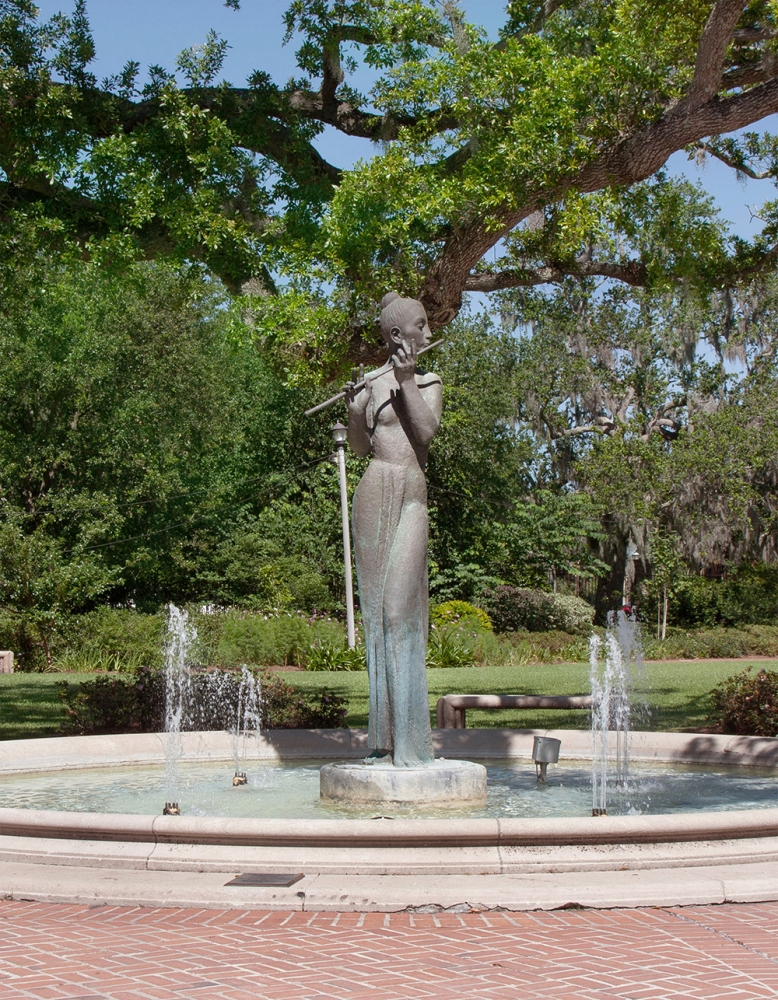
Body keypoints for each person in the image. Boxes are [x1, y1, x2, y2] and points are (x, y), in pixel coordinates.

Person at [344, 292, 442, 767]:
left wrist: (406, 382)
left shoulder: (427, 380)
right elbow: (360, 448)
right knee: (376, 616)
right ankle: (383, 739)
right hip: (374, 489)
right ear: (398, 335)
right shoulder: (371, 381)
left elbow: (425, 433)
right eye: (422, 324)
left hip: (411, 494)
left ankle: (412, 741)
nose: (429, 331)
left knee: (400, 611)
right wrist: (354, 409)